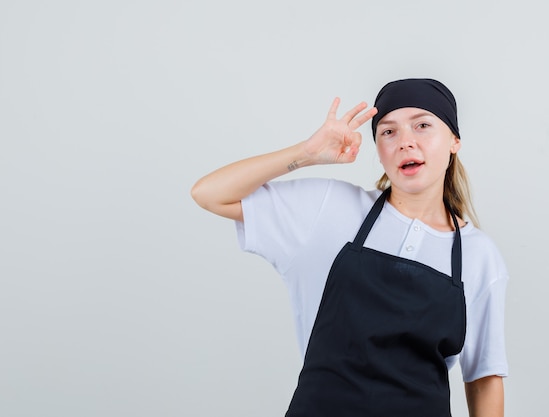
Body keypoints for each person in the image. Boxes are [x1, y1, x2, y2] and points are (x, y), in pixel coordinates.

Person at [191, 79, 508, 417]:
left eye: (423, 125)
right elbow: (209, 193)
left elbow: (483, 379)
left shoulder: (478, 256)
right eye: (388, 132)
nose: (405, 142)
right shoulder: (329, 210)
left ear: (454, 141)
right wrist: (306, 154)